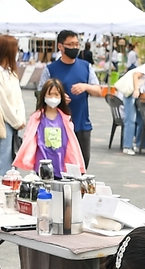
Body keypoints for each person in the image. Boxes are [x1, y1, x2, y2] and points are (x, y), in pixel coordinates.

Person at [39, 30, 101, 169]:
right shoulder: (50, 69)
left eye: (76, 44)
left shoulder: (86, 67)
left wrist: (85, 87)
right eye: (70, 44)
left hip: (81, 124)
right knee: (60, 166)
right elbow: (40, 93)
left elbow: (98, 90)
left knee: (82, 165)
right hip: (57, 126)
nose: (74, 48)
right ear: (60, 46)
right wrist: (56, 96)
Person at [14, 79, 85, 178]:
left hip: (61, 165)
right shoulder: (36, 118)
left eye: (56, 94)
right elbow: (29, 138)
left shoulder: (65, 118)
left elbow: (71, 143)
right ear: (43, 96)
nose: (53, 98)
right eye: (50, 94)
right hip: (42, 166)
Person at [0, 35, 25, 178]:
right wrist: (17, 121)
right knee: (2, 162)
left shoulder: (11, 72)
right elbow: (1, 101)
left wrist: (20, 119)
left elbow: (18, 98)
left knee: (12, 163)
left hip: (14, 123)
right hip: (3, 122)